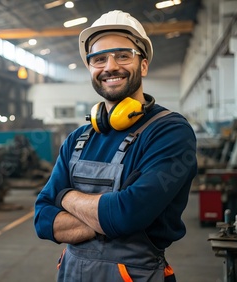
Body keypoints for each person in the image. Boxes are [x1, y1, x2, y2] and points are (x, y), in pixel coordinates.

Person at [34, 10, 197, 281]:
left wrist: (64, 197)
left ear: (143, 65)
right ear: (90, 68)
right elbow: (42, 220)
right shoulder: (78, 139)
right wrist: (107, 218)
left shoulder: (170, 131)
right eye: (99, 59)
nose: (110, 67)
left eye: (123, 55)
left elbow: (127, 215)